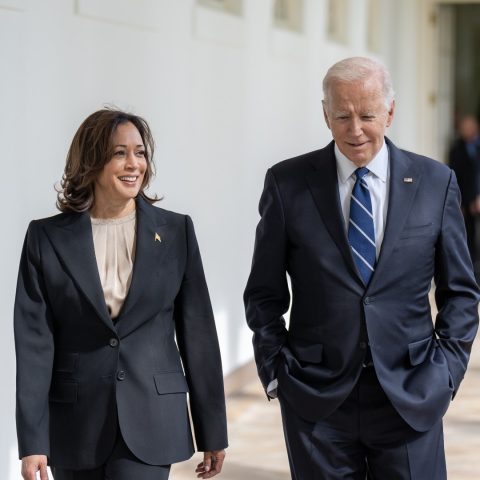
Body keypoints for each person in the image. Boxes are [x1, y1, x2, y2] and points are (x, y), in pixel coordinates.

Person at [244, 57, 479, 479]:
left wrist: (445, 373)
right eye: (342, 116)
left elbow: (460, 292)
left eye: (367, 116)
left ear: (390, 112)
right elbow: (263, 293)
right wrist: (276, 371)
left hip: (412, 394)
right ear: (325, 115)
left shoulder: (435, 182)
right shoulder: (287, 183)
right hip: (316, 401)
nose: (355, 130)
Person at [14, 109, 228, 480]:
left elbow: (199, 335)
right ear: (91, 162)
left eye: (140, 153)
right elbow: (35, 345)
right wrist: (33, 441)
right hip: (75, 424)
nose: (134, 164)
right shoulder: (45, 238)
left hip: (152, 417)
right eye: (119, 153)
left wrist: (213, 431)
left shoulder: (176, 231)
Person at [449, 115, 480, 267]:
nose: (465, 130)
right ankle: (472, 264)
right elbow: (453, 175)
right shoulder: (456, 149)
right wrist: (458, 201)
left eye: (468, 127)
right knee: (468, 233)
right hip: (465, 199)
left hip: (478, 195)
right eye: (463, 128)